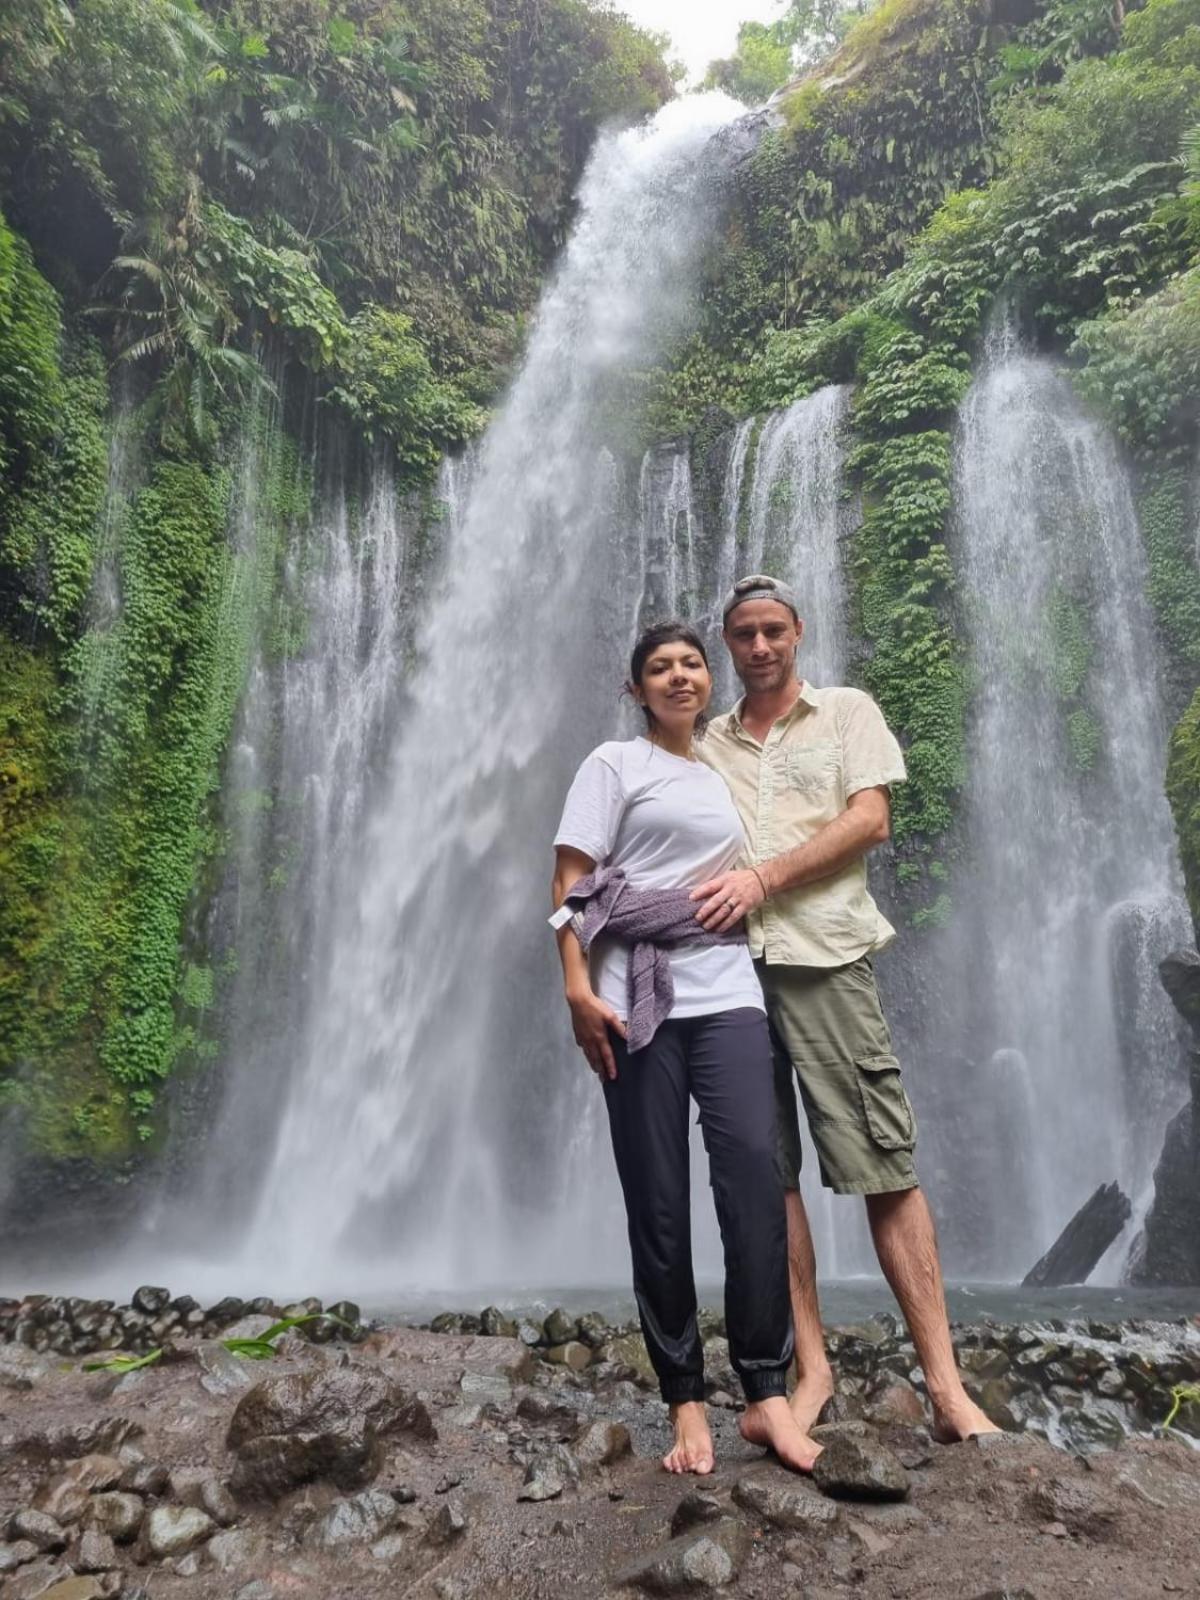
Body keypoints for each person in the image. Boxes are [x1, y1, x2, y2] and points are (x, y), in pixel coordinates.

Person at [692, 574, 998, 1444]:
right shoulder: (706, 741)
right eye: (743, 633)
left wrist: (761, 879)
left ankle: (946, 1387)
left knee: (881, 1159)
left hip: (824, 957)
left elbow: (871, 820)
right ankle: (810, 1368)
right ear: (728, 642)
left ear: (798, 632)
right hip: (729, 975)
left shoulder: (847, 711)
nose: (758, 646)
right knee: (769, 1175)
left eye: (773, 631)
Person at [550, 620, 821, 1475]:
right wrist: (575, 990)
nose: (678, 676)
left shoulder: (730, 769)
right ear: (636, 690)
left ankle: (767, 1393)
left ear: (711, 681)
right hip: (634, 994)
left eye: (691, 664)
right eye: (659, 668)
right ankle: (686, 1402)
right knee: (659, 1196)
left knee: (752, 1173)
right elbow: (572, 883)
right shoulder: (613, 764)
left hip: (727, 985)